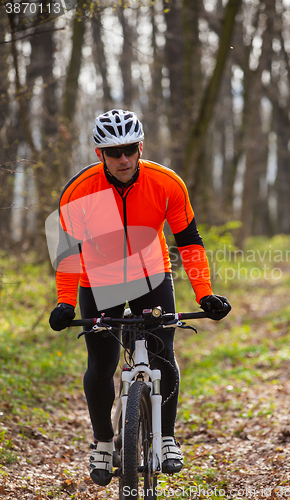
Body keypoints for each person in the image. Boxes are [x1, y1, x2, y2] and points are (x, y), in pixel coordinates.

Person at [49, 109, 231, 487]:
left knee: (163, 350)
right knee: (102, 361)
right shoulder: (79, 191)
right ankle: (102, 442)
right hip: (100, 279)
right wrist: (65, 301)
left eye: (130, 149)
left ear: (140, 147)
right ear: (100, 154)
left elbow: (190, 243)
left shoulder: (167, 183)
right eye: (114, 152)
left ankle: (166, 437)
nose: (124, 159)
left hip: (151, 274)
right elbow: (67, 255)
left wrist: (206, 293)